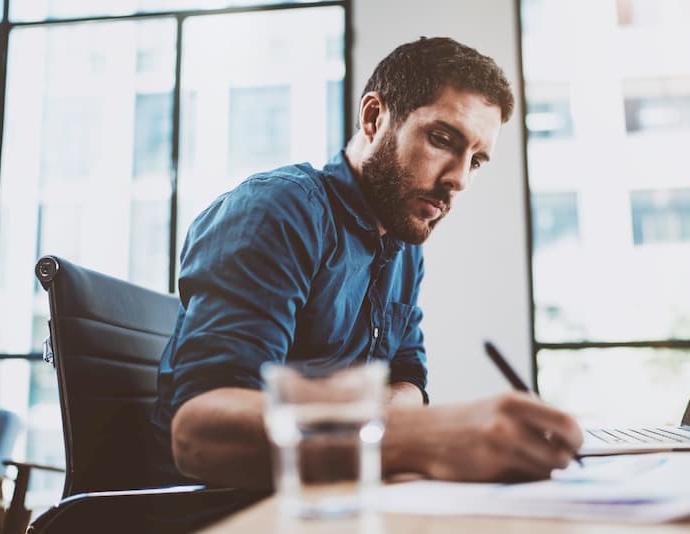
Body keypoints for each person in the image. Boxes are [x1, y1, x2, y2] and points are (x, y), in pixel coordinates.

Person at [150, 36, 582, 505]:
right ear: (375, 118)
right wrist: (422, 436)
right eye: (442, 140)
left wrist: (387, 427)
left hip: (336, 498)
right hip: (226, 510)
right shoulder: (277, 211)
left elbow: (407, 376)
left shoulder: (404, 245)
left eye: (476, 161)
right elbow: (198, 432)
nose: (459, 178)